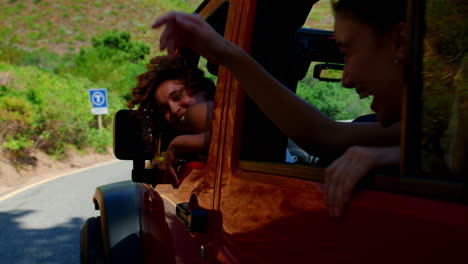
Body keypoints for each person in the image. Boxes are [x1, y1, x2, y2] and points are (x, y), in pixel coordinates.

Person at [152, 0, 406, 216]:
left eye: (349, 53)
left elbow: (326, 136)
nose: (346, 79)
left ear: (401, 43)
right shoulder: (416, 134)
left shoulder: (422, 135)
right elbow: (327, 136)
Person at [127, 55, 215, 186]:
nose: (174, 110)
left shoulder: (234, 112)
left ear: (201, 89)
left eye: (178, 96)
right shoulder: (172, 155)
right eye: (164, 110)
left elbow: (230, 136)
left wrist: (178, 144)